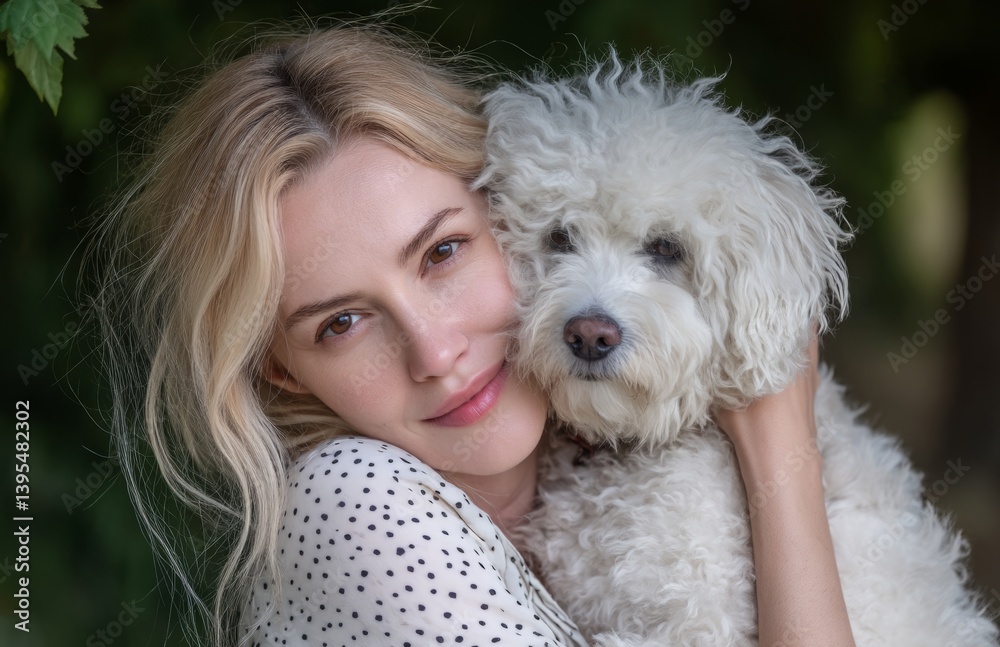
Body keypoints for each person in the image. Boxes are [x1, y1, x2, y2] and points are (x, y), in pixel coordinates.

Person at [84, 21, 856, 647]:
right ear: (281, 370)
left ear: (501, 217)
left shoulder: (601, 478)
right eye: (342, 323)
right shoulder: (358, 506)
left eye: (442, 252)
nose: (434, 350)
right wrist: (781, 442)